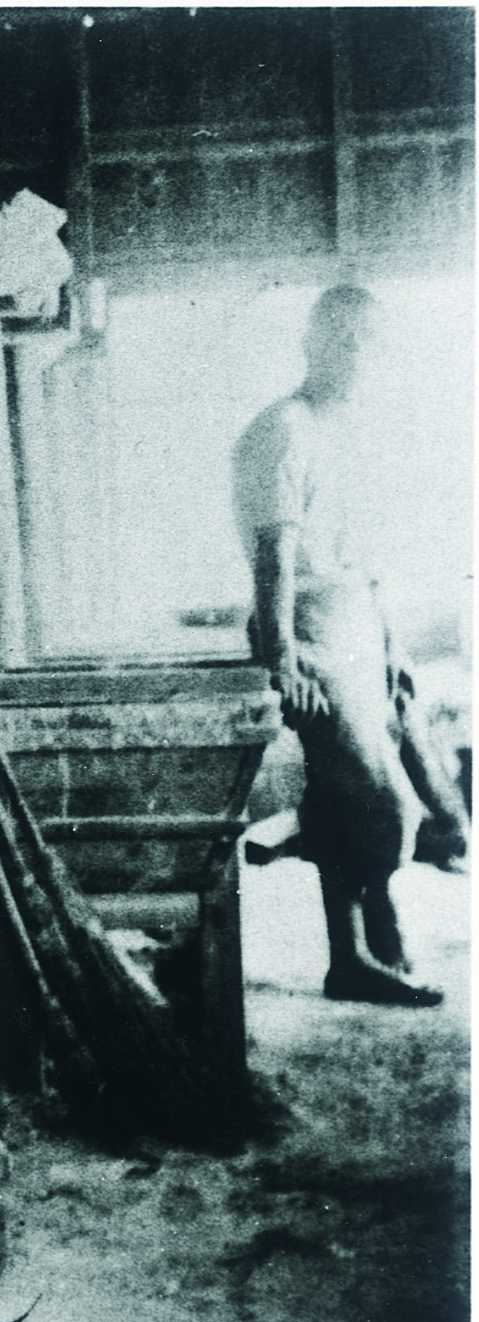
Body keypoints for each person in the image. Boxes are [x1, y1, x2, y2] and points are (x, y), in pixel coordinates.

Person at [232, 286, 466, 1008]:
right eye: (342, 340)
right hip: (306, 627)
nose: (356, 357)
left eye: (368, 344)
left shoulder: (352, 432)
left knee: (356, 796)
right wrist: (282, 654)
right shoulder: (283, 428)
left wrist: (390, 646)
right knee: (383, 804)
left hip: (359, 626)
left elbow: (364, 563)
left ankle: (361, 949)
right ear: (313, 343)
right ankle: (359, 946)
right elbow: (274, 557)